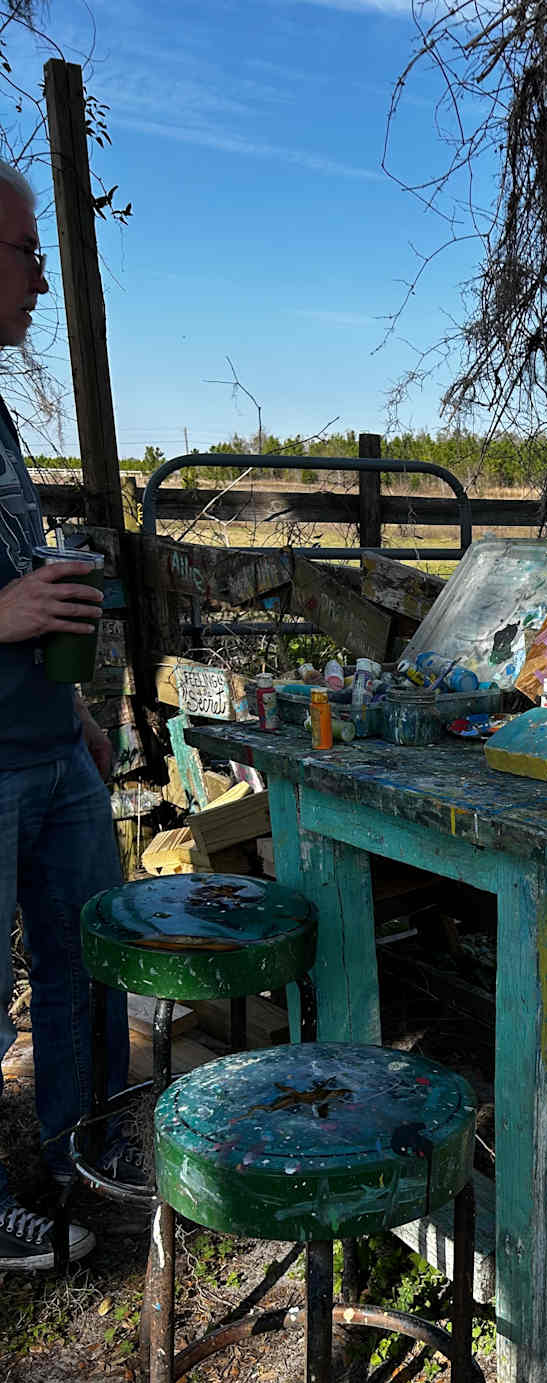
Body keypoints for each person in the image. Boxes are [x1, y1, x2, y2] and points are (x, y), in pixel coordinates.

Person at [0, 159, 133, 1271]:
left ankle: (86, 1153)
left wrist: (80, 708)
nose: (43, 282)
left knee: (87, 959)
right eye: (27, 255)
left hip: (53, 746)